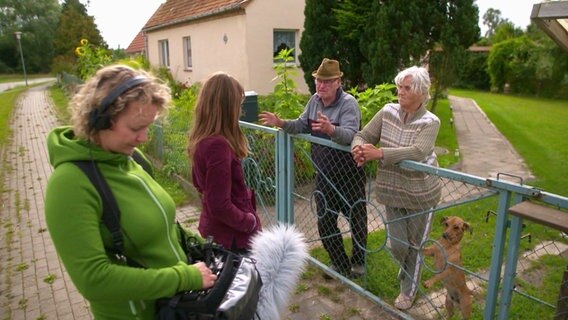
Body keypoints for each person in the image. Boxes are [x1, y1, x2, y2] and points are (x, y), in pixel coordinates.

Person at [44, 64, 217, 320]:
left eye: (148, 127)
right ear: (98, 120)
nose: (144, 138)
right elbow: (94, 279)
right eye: (136, 129)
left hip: (176, 304)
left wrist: (203, 246)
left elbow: (162, 223)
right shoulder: (70, 184)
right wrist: (183, 277)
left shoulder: (131, 159)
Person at [259, 58, 368, 277]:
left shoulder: (348, 104)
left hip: (349, 174)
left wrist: (331, 130)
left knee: (356, 219)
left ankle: (359, 263)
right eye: (319, 81)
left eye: (326, 82)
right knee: (325, 221)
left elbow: (351, 135)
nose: (321, 85)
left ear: (338, 81)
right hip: (324, 175)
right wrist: (281, 123)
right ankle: (339, 264)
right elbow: (300, 125)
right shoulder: (314, 102)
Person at [351, 66, 442, 310]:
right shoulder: (387, 111)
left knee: (416, 246)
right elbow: (364, 134)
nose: (399, 92)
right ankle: (407, 271)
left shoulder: (430, 122)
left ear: (422, 93)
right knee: (399, 245)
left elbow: (418, 151)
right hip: (392, 192)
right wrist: (358, 149)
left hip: (422, 195)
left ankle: (408, 291)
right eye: (398, 87)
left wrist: (378, 153)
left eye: (406, 88)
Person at [187, 72, 262, 254]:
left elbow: (202, 187)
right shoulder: (217, 145)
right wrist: (248, 221)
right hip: (231, 240)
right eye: (238, 104)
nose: (240, 110)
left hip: (218, 233)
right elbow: (219, 203)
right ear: (226, 107)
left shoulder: (202, 140)